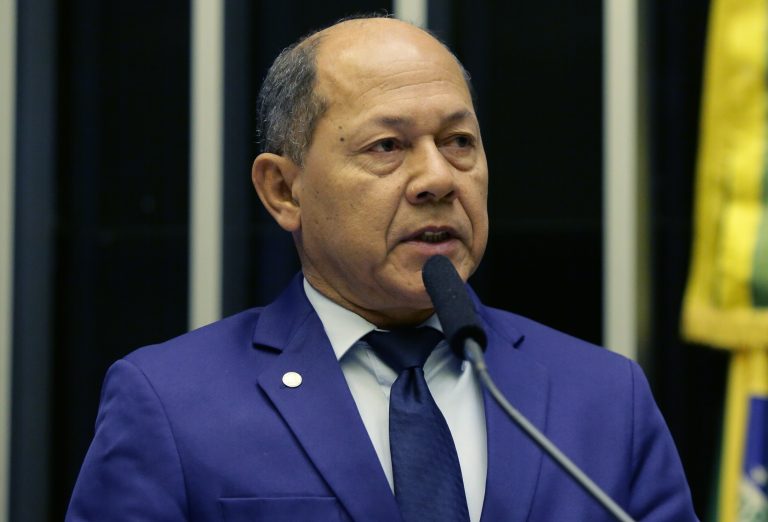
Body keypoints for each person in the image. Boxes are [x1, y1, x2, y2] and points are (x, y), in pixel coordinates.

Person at [67, 16, 697, 521]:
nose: (437, 179)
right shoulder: (170, 402)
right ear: (284, 191)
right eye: (387, 147)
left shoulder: (604, 397)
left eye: (458, 142)